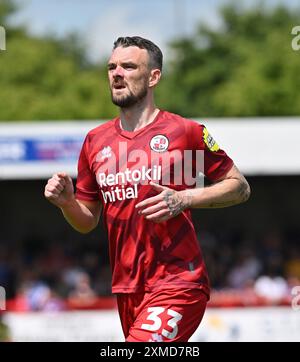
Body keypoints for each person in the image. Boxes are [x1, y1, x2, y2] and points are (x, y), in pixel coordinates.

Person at [44, 36, 250, 342]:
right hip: (127, 288)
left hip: (178, 283)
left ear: (153, 76)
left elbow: (239, 187)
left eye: (128, 66)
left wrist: (185, 197)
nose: (117, 73)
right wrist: (67, 204)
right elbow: (87, 220)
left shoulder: (185, 132)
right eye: (112, 66)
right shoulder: (94, 141)